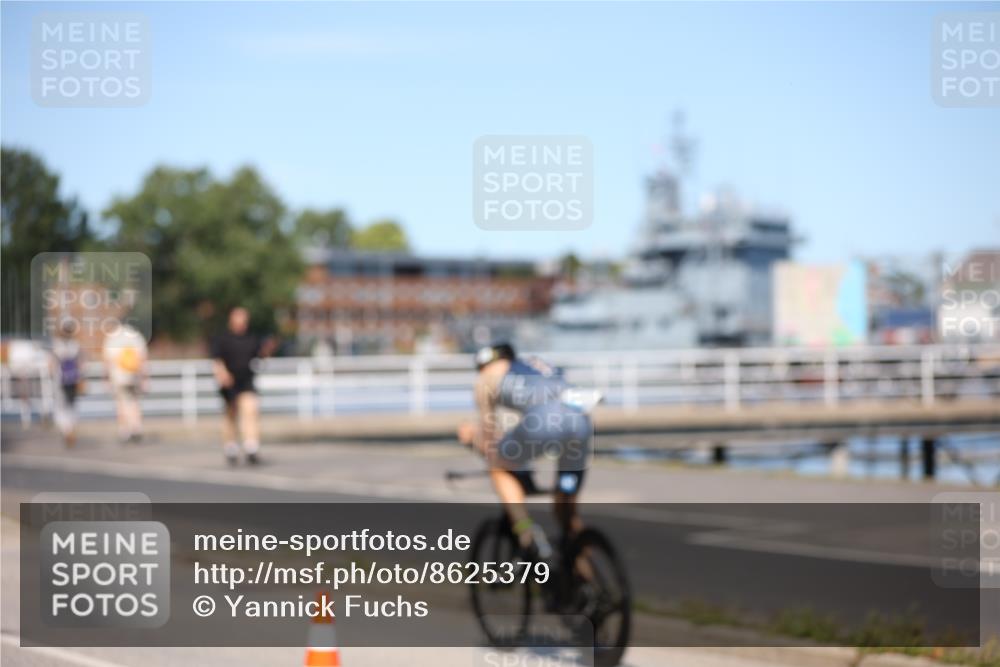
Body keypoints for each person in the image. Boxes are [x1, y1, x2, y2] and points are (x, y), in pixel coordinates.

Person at [457, 343, 596, 558]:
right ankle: (585, 579)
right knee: (566, 510)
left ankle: (526, 535)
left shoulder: (487, 377)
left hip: (544, 422)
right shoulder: (535, 366)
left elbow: (489, 437)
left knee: (497, 465)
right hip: (581, 423)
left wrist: (471, 439)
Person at [211, 307, 276, 466]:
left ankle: (251, 447)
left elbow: (261, 355)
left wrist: (269, 349)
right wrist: (222, 375)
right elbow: (217, 361)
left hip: (246, 380)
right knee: (231, 415)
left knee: (251, 410)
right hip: (229, 381)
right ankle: (231, 448)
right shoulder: (223, 339)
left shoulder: (252, 338)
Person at [102, 319, 148, 443]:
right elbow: (142, 359)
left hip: (118, 377)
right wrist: (145, 379)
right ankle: (136, 428)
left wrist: (106, 379)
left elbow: (107, 361)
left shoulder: (112, 338)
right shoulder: (136, 336)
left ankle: (125, 431)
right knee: (134, 402)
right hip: (134, 376)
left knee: (121, 404)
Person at [51, 320, 85, 447]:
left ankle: (67, 430)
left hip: (61, 380)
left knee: (61, 406)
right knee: (72, 405)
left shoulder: (57, 345)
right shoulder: (75, 345)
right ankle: (70, 428)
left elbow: (52, 364)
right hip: (73, 379)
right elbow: (81, 364)